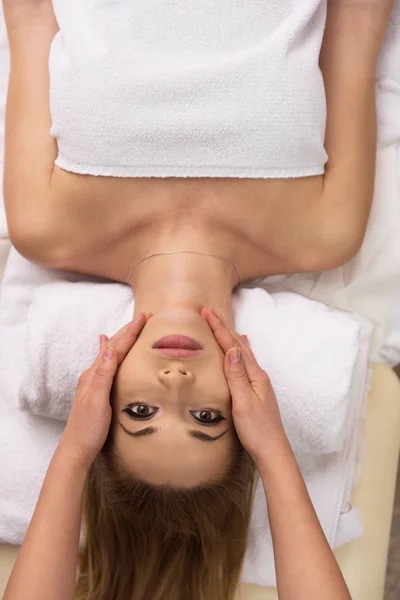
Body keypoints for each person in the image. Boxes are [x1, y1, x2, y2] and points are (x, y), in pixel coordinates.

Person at [1, 0, 395, 599]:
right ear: (246, 408)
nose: (175, 383)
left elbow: (28, 15)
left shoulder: (45, 228)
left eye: (139, 415)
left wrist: (75, 453)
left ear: (100, 396)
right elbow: (360, 18)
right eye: (207, 419)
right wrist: (272, 448)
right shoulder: (323, 233)